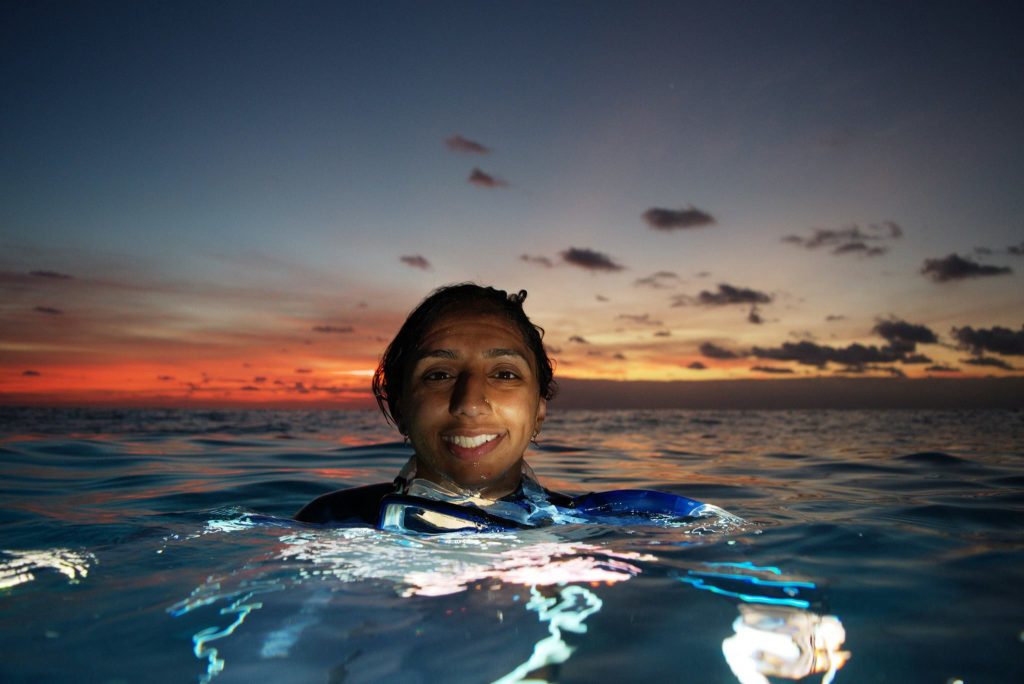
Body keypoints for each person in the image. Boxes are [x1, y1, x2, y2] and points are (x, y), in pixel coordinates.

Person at [296, 283, 720, 532]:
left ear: (538, 412)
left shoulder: (600, 528)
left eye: (503, 374)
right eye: (439, 375)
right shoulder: (330, 524)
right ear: (401, 407)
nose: (470, 403)